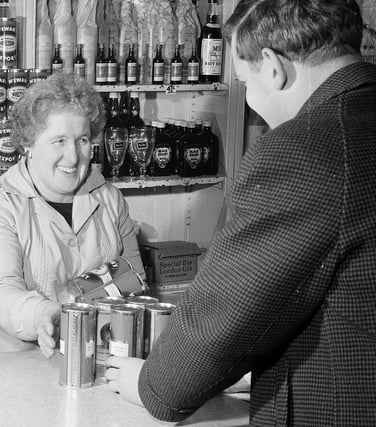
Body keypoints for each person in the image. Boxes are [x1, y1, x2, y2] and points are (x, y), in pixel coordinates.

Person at [106, 0, 376, 425]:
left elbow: (227, 308)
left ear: (273, 67)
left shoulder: (302, 149)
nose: (249, 100)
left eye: (245, 82)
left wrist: (154, 385)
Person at [0, 73, 145, 357]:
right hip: (17, 363)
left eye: (82, 140)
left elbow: (133, 280)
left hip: (90, 356)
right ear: (29, 143)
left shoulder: (109, 198)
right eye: (59, 141)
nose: (73, 156)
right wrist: (42, 313)